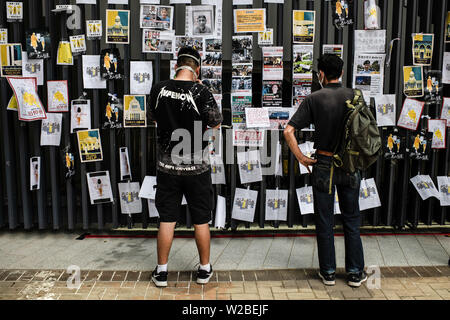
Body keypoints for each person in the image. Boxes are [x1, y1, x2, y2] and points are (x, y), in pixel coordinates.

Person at [284, 54, 367, 288]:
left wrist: (301, 157)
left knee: (324, 219)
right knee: (351, 218)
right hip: (350, 164)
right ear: (341, 73)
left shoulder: (314, 98)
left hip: (324, 164)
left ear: (321, 74)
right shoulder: (356, 96)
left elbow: (288, 131)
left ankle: (328, 272)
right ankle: (354, 273)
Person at [147, 47, 222, 287]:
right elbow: (216, 123)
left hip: (167, 166)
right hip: (196, 167)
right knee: (201, 219)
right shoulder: (202, 91)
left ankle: (161, 272)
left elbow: (154, 118)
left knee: (167, 218)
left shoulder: (158, 89)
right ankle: (204, 269)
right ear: (197, 69)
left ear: (175, 66)